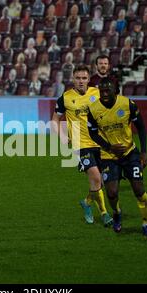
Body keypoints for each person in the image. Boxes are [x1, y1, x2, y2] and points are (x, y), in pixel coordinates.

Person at [86, 79, 147, 236]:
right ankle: (117, 213)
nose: (105, 94)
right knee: (112, 193)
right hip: (109, 156)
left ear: (115, 90)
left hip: (130, 153)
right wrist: (109, 147)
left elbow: (141, 127)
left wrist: (143, 152)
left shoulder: (128, 104)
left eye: (108, 91)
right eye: (102, 92)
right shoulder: (94, 110)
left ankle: (146, 222)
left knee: (139, 189)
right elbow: (93, 133)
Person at [51, 65, 113, 226]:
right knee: (96, 177)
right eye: (78, 78)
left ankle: (86, 202)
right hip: (81, 144)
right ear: (73, 79)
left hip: (100, 142)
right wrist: (63, 136)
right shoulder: (65, 98)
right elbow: (54, 119)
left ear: (88, 79)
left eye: (84, 78)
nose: (81, 81)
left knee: (100, 182)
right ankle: (105, 214)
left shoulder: (97, 94)